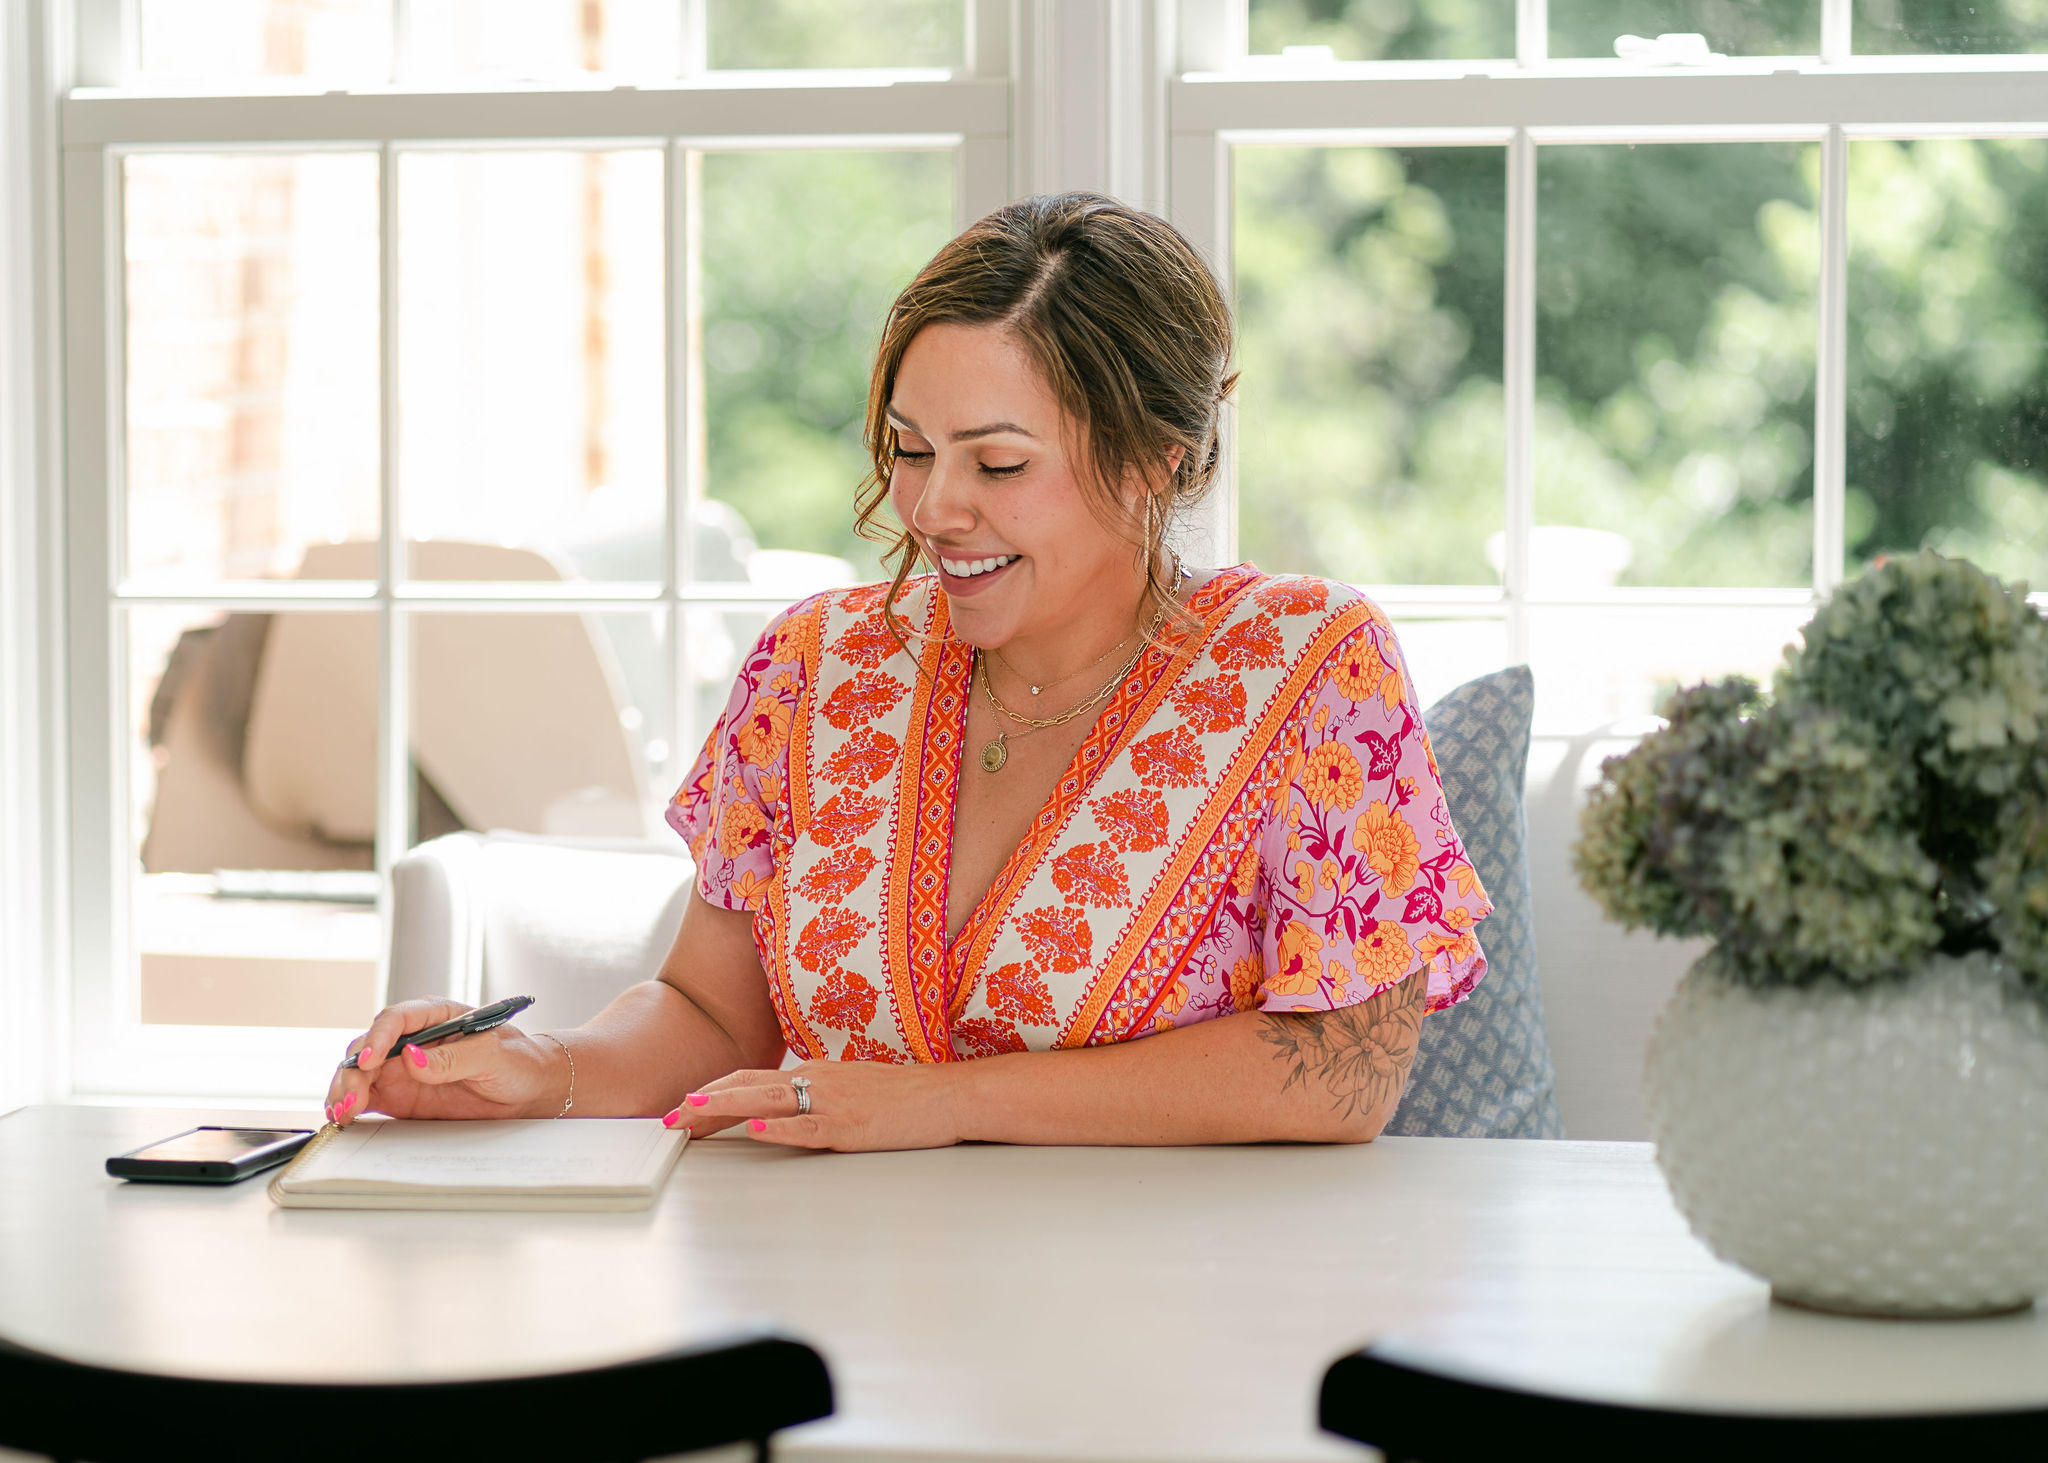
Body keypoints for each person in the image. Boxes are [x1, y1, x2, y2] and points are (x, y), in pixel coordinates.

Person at [324, 192, 1492, 1150]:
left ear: (1150, 461)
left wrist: (948, 1099)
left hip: (1167, 1317)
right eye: (910, 449)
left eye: (996, 460)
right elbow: (707, 1012)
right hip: (838, 1300)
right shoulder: (813, 667)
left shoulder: (1304, 663)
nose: (934, 508)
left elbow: (1346, 1070)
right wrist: (543, 1067)